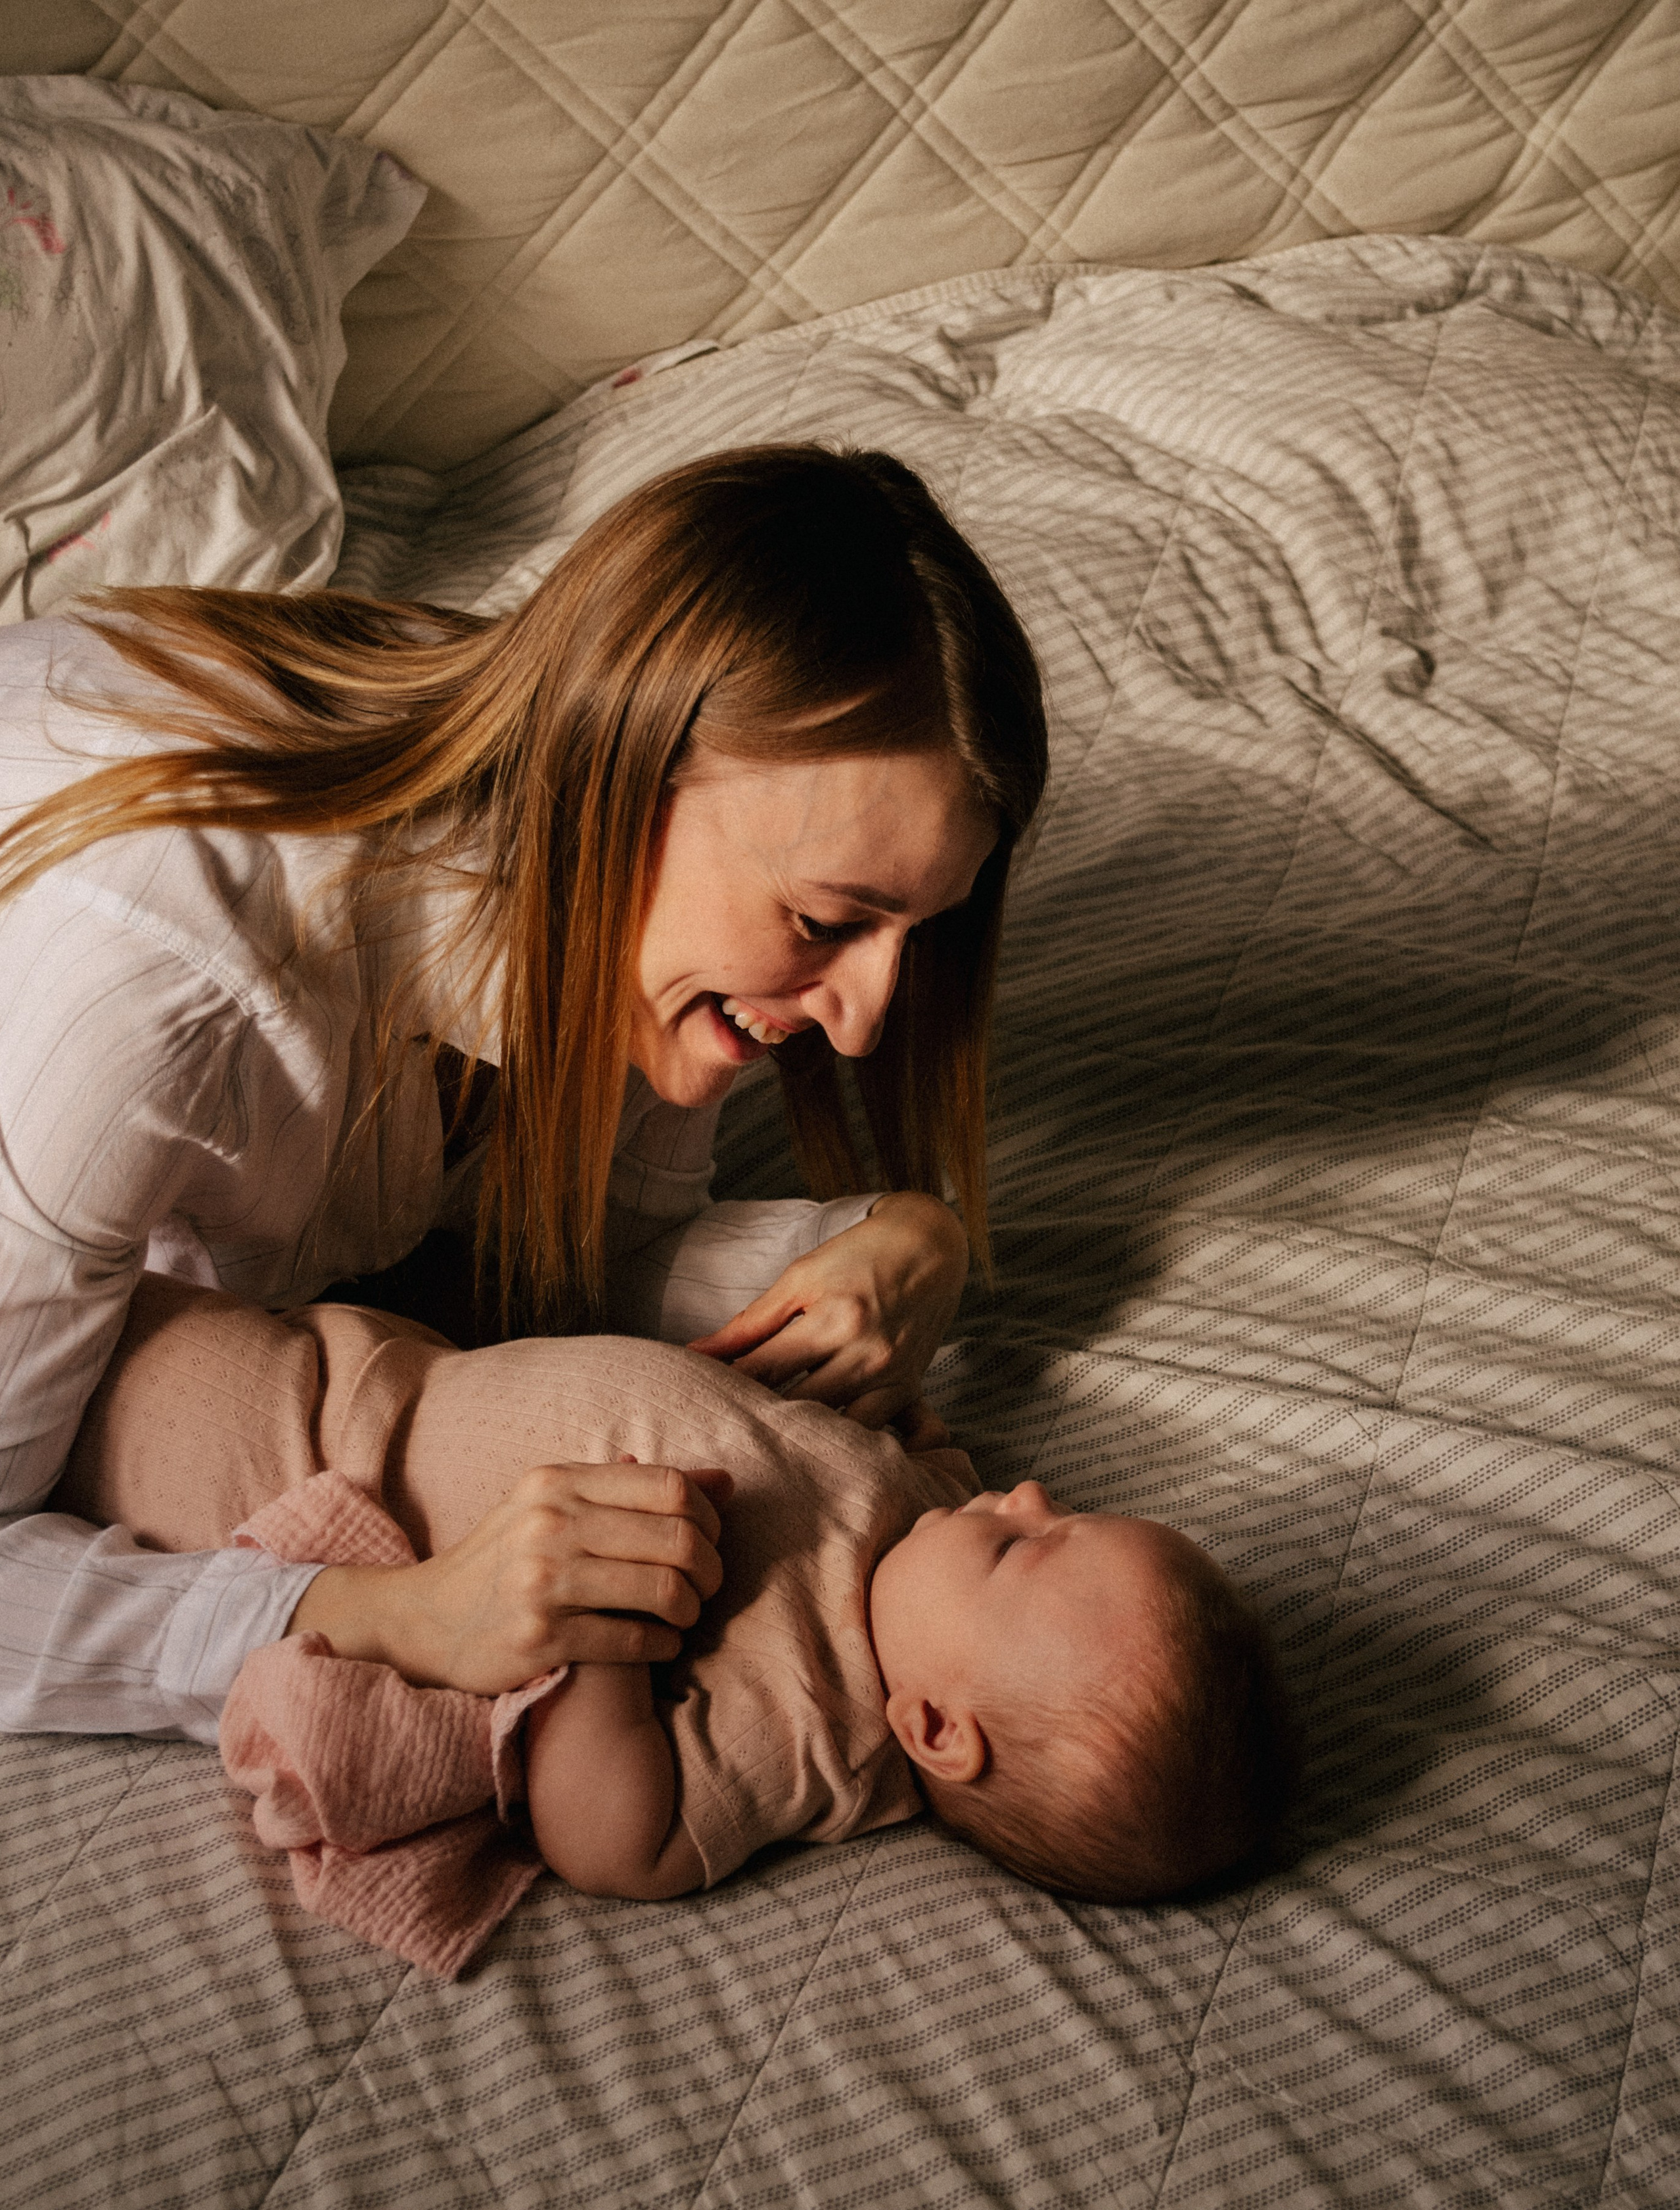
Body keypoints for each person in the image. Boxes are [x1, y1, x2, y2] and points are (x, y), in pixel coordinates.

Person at [0, 445, 1047, 1743]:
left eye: (915, 935)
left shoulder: (642, 901)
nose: (864, 1021)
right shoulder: (150, 992)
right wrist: (392, 1613)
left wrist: (900, 1237)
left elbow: (599, 1247)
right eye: (828, 921)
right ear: (620, 786)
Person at [56, 1278, 1287, 1908]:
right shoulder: (924, 1531)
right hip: (366, 1363)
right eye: (1060, 1511)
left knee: (91, 1367)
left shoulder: (815, 1727)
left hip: (292, 1461)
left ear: (932, 1728)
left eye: (1023, 1550)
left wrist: (611, 1644)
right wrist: (898, 1430)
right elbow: (893, 1452)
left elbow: (618, 1841)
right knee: (114, 1302)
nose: (1027, 1494)